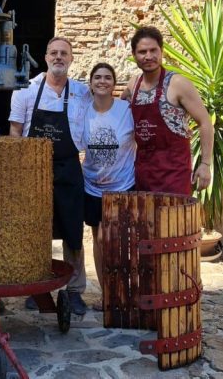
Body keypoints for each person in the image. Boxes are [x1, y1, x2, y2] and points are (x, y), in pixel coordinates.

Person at [9, 37, 92, 315]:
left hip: (69, 167)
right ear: (45, 57)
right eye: (54, 53)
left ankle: (75, 290)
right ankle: (38, 288)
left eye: (64, 53)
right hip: (33, 170)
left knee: (73, 230)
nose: (59, 57)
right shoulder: (26, 90)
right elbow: (15, 132)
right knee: (36, 229)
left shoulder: (82, 92)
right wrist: (19, 171)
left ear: (71, 58)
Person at [123, 26, 214, 194]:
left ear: (162, 51)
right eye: (142, 52)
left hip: (175, 175)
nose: (148, 56)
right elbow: (117, 114)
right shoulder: (133, 85)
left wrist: (205, 164)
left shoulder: (178, 83)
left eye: (153, 50)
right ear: (134, 55)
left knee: (175, 212)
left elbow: (205, 122)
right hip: (143, 174)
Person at [82, 62, 135, 307]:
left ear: (114, 84)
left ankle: (123, 292)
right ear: (91, 84)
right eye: (97, 77)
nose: (102, 81)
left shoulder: (126, 110)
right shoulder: (83, 112)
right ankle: (107, 295)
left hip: (123, 185)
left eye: (107, 77)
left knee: (119, 240)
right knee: (99, 240)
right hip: (92, 186)